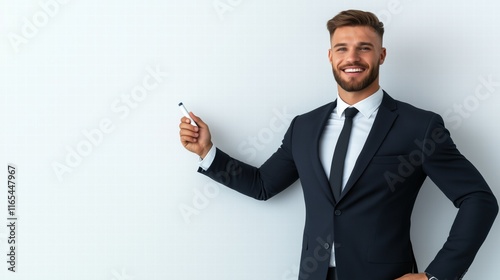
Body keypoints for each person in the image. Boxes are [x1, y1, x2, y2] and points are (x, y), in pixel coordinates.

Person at [178, 9, 498, 280]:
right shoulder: (304, 126)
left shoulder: (419, 126)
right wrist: (208, 152)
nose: (352, 58)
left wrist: (437, 276)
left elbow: (478, 199)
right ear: (330, 56)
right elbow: (264, 185)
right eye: (342, 48)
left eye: (364, 48)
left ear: (382, 55)